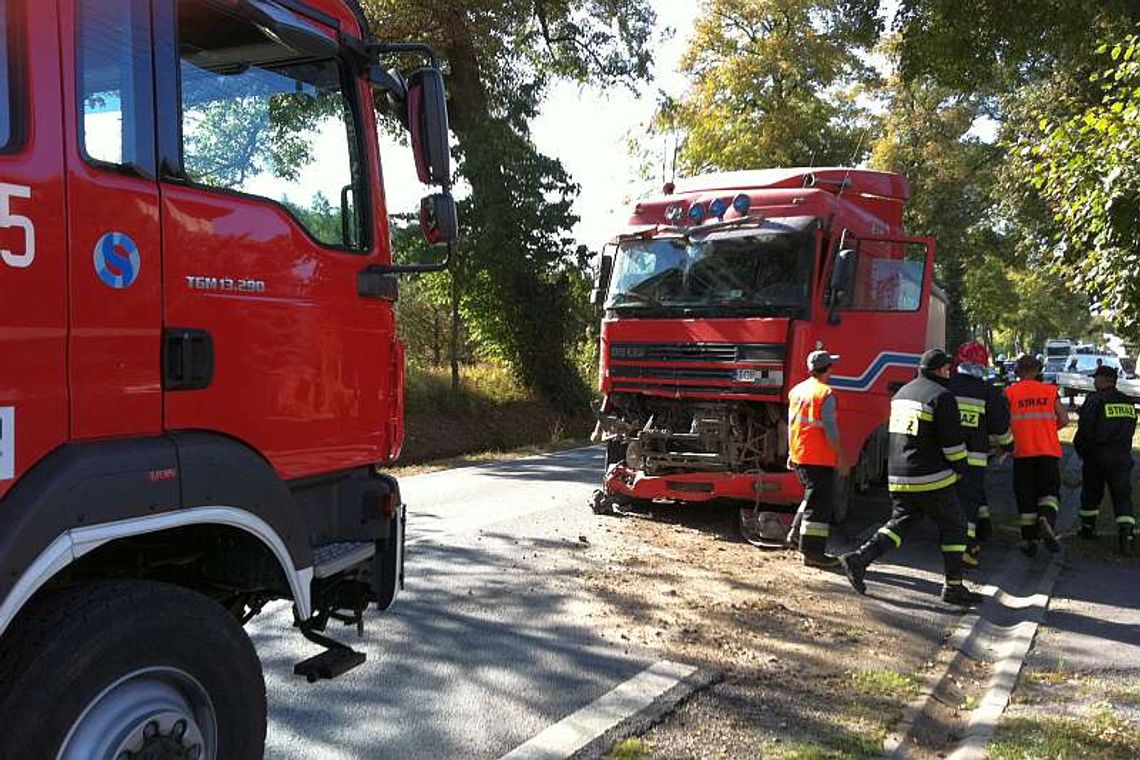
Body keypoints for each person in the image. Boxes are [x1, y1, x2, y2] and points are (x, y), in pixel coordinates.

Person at [839, 349, 984, 606]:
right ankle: (953, 587)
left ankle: (859, 559)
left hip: (899, 476)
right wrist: (962, 468)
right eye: (947, 369)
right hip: (932, 477)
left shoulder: (902, 394)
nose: (949, 373)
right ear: (939, 370)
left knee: (901, 523)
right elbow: (952, 445)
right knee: (955, 526)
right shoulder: (942, 396)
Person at [948, 341, 1013, 568]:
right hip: (973, 458)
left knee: (949, 500)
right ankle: (965, 548)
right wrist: (1008, 446)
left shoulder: (947, 386)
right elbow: (1000, 427)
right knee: (969, 501)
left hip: (945, 458)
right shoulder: (989, 392)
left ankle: (970, 536)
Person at [1005, 354, 1069, 556]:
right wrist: (1048, 430)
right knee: (1049, 493)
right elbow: (1064, 419)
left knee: (1026, 497)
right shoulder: (1050, 391)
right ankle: (1046, 519)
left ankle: (1029, 541)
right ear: (1038, 370)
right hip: (1048, 452)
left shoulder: (1009, 393)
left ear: (1018, 372)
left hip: (1022, 452)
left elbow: (1003, 423)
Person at [786, 350, 845, 568]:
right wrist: (841, 456)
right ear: (828, 369)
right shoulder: (825, 393)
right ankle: (813, 553)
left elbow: (792, 425)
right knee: (819, 507)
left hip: (800, 454)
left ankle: (795, 535)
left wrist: (791, 452)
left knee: (811, 498)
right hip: (819, 458)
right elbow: (831, 431)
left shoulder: (797, 391)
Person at [1073, 364, 1136, 555]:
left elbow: (1085, 431)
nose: (1094, 382)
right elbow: (1130, 429)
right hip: (1122, 456)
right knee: (1122, 497)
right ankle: (1126, 537)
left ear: (1103, 380)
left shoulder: (1095, 400)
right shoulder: (1127, 401)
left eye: (1096, 378)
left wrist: (1083, 452)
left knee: (1091, 494)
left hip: (1097, 456)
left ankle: (1087, 529)